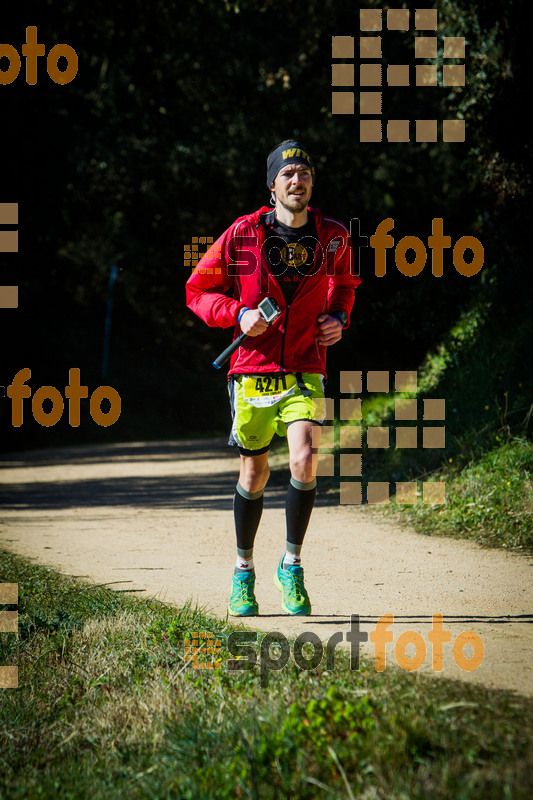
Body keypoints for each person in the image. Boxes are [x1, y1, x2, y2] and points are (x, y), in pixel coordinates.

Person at [186, 139, 360, 616]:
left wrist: (339, 319)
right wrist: (237, 315)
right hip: (253, 370)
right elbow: (196, 290)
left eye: (304, 172)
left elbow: (345, 285)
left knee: (304, 459)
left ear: (312, 183)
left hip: (305, 365)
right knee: (255, 471)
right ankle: (243, 572)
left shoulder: (334, 237)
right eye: (287, 174)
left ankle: (292, 565)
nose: (296, 180)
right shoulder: (242, 235)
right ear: (271, 185)